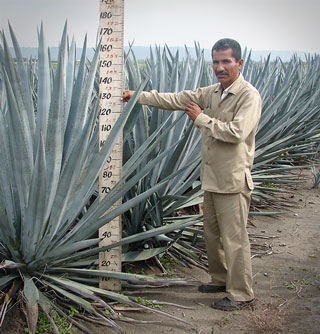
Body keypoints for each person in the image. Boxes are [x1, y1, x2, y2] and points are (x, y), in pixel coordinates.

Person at [121, 38, 262, 311]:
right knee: (213, 235)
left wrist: (201, 119)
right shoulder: (212, 92)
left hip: (232, 182)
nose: (220, 67)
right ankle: (221, 280)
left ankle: (242, 293)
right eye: (216, 62)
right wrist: (136, 95)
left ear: (239, 63)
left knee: (234, 240)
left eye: (226, 61)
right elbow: (176, 99)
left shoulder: (248, 96)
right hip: (211, 179)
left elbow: (236, 133)